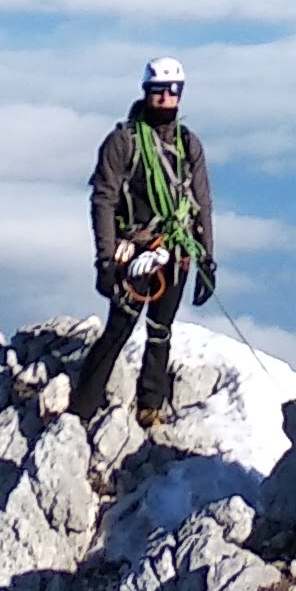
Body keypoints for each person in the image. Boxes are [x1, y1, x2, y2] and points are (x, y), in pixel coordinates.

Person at [78, 54, 215, 415]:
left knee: (161, 330)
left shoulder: (189, 144)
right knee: (119, 328)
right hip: (135, 252)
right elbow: (103, 200)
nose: (166, 98)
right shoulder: (122, 142)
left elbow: (202, 202)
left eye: (173, 91)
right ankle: (82, 408)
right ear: (147, 91)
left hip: (175, 252)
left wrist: (207, 259)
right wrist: (105, 260)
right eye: (159, 90)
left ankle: (150, 407)